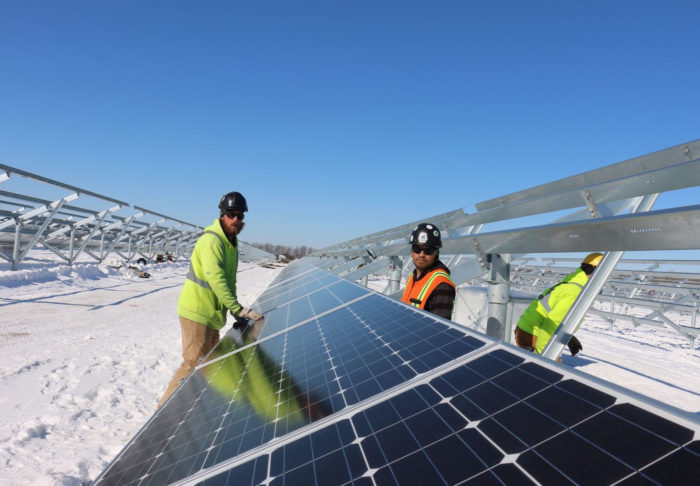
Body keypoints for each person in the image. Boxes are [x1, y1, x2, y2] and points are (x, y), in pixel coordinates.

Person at [157, 191, 264, 408]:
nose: (236, 219)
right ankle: (163, 415)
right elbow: (216, 278)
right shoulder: (212, 241)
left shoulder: (230, 243)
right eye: (231, 214)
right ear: (222, 214)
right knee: (192, 364)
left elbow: (229, 282)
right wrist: (237, 308)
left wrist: (235, 311)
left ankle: (190, 410)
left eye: (240, 216)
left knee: (208, 365)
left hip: (211, 316)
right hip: (197, 314)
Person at [514, 252, 603, 356]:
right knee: (550, 368)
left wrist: (567, 337)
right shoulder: (575, 292)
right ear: (596, 274)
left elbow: (559, 319)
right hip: (532, 334)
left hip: (527, 330)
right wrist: (543, 354)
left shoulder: (573, 283)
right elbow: (552, 324)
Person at [401, 223, 456, 319]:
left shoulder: (442, 285)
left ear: (436, 254)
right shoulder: (412, 277)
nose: (421, 254)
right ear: (411, 252)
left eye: (428, 251)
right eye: (417, 249)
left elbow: (439, 329)